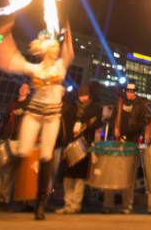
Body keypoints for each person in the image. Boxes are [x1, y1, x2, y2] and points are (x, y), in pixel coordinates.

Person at [0, 16, 74, 220]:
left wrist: (67, 30)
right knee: (23, 150)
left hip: (52, 116)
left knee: (46, 156)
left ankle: (40, 204)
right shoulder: (34, 68)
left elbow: (69, 50)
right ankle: (13, 194)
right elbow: (9, 58)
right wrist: (2, 31)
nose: (53, 49)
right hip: (34, 113)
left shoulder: (60, 67)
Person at [103, 82, 149, 214]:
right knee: (111, 174)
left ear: (135, 92)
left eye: (132, 91)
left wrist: (125, 133)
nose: (129, 93)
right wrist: (114, 130)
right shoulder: (120, 103)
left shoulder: (140, 105)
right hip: (117, 142)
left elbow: (141, 125)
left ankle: (127, 206)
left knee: (129, 176)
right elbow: (112, 120)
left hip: (131, 142)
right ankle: (108, 204)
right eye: (128, 91)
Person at [57, 85, 101, 214]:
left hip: (84, 145)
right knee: (68, 176)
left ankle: (76, 204)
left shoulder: (95, 108)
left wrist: (86, 127)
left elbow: (98, 125)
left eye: (85, 95)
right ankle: (67, 203)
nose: (83, 97)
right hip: (71, 144)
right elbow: (65, 125)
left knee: (80, 177)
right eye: (81, 95)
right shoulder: (72, 108)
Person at [0, 82, 31, 210]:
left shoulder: (29, 105)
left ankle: (5, 200)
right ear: (19, 90)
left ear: (28, 92)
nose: (23, 89)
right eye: (21, 87)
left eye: (26, 88)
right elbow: (5, 121)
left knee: (11, 172)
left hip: (19, 140)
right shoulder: (12, 104)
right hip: (7, 139)